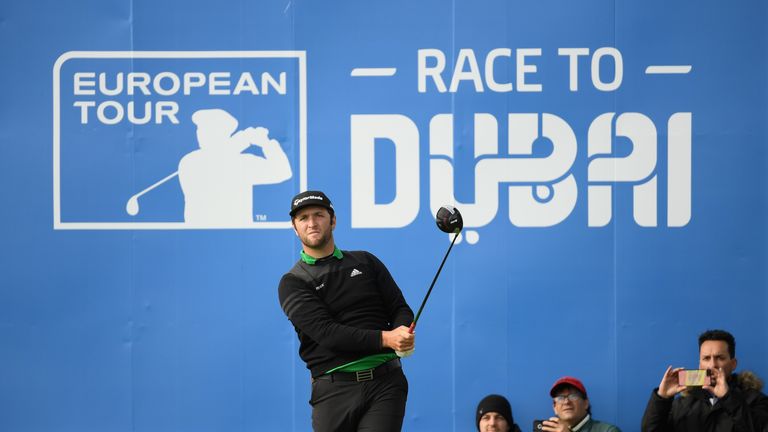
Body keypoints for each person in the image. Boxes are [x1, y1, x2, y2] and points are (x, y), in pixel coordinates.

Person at [277, 190, 415, 432]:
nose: (311, 223)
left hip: (386, 382)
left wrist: (403, 332)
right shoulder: (292, 282)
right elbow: (327, 333)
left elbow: (399, 308)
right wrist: (387, 338)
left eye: (319, 215)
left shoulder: (366, 261)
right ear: (294, 227)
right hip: (333, 391)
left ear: (333, 220)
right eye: (303, 218)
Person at [178, 108, 292, 226]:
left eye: (209, 130)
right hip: (198, 232)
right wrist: (245, 139)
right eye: (200, 129)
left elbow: (283, 171)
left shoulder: (242, 161)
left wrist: (266, 143)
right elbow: (215, 160)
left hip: (237, 233)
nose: (201, 133)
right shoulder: (190, 161)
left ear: (224, 134)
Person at [641, 329, 768, 432]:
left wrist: (728, 397)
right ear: (699, 364)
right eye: (706, 358)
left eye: (720, 358)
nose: (712, 365)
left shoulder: (755, 399)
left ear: (733, 364)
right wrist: (662, 398)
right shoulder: (682, 404)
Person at [541, 376, 621, 432]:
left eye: (573, 396)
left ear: (586, 403)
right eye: (560, 398)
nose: (566, 402)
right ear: (554, 408)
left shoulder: (609, 430)